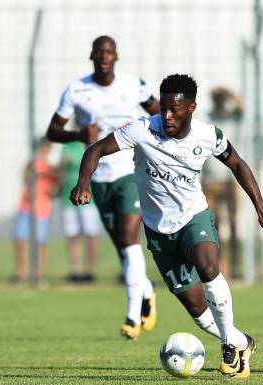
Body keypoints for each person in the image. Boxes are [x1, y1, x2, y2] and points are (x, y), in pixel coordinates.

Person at [71, 74, 263, 378]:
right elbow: (95, 150)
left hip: (193, 217)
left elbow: (237, 164)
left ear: (192, 108)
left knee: (208, 265)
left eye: (175, 109)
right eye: (164, 109)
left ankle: (227, 347)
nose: (167, 116)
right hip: (159, 230)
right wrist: (84, 182)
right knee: (196, 308)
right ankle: (241, 341)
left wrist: (262, 210)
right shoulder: (142, 130)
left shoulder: (209, 135)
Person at [46, 35, 160, 339]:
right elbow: (53, 130)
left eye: (109, 51)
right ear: (92, 56)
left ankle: (132, 315)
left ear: (116, 56)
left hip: (130, 172)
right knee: (123, 246)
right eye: (99, 52)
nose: (104, 56)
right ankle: (147, 292)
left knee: (129, 237)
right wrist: (78, 134)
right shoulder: (77, 90)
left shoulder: (133, 85)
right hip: (97, 177)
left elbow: (161, 114)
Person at [202, 87, 244, 279]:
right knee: (214, 226)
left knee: (234, 225)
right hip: (211, 181)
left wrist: (229, 93)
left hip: (230, 180)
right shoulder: (208, 117)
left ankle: (237, 267)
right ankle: (219, 267)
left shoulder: (233, 117)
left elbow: (242, 107)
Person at [13, 138, 60, 286]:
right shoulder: (31, 164)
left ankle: (39, 274)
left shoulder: (51, 168)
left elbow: (56, 188)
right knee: (20, 239)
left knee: (40, 242)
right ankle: (22, 273)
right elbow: (25, 178)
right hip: (26, 206)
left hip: (42, 208)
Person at [59, 141, 100, 283]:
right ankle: (75, 271)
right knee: (73, 235)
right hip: (69, 197)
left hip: (88, 200)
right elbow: (62, 166)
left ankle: (90, 270)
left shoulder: (92, 144)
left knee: (91, 234)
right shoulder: (68, 146)